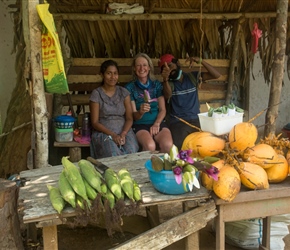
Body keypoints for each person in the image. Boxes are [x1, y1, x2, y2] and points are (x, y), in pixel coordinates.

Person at [159, 54, 221, 149]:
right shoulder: (168, 84)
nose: (169, 69)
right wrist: (165, 80)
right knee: (182, 147)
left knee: (208, 145)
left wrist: (201, 61)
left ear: (178, 63)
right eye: (165, 68)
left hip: (196, 120)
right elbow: (168, 95)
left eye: (170, 65)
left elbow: (217, 75)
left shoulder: (192, 77)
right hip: (178, 122)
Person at [89, 59, 139, 158]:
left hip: (124, 131)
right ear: (102, 75)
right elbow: (95, 122)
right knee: (113, 154)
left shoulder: (124, 93)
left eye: (115, 73)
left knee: (131, 151)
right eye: (109, 73)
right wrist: (113, 135)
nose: (113, 77)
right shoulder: (96, 94)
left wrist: (123, 133)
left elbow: (129, 118)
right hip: (104, 133)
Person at [126, 53, 173, 153]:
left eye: (144, 65)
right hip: (140, 125)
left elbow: (162, 109)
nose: (141, 68)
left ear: (149, 67)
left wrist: (157, 123)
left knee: (168, 145)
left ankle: (162, 167)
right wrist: (141, 112)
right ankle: (146, 167)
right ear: (134, 68)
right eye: (138, 65)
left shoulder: (156, 85)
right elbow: (134, 116)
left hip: (158, 122)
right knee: (150, 146)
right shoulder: (130, 87)